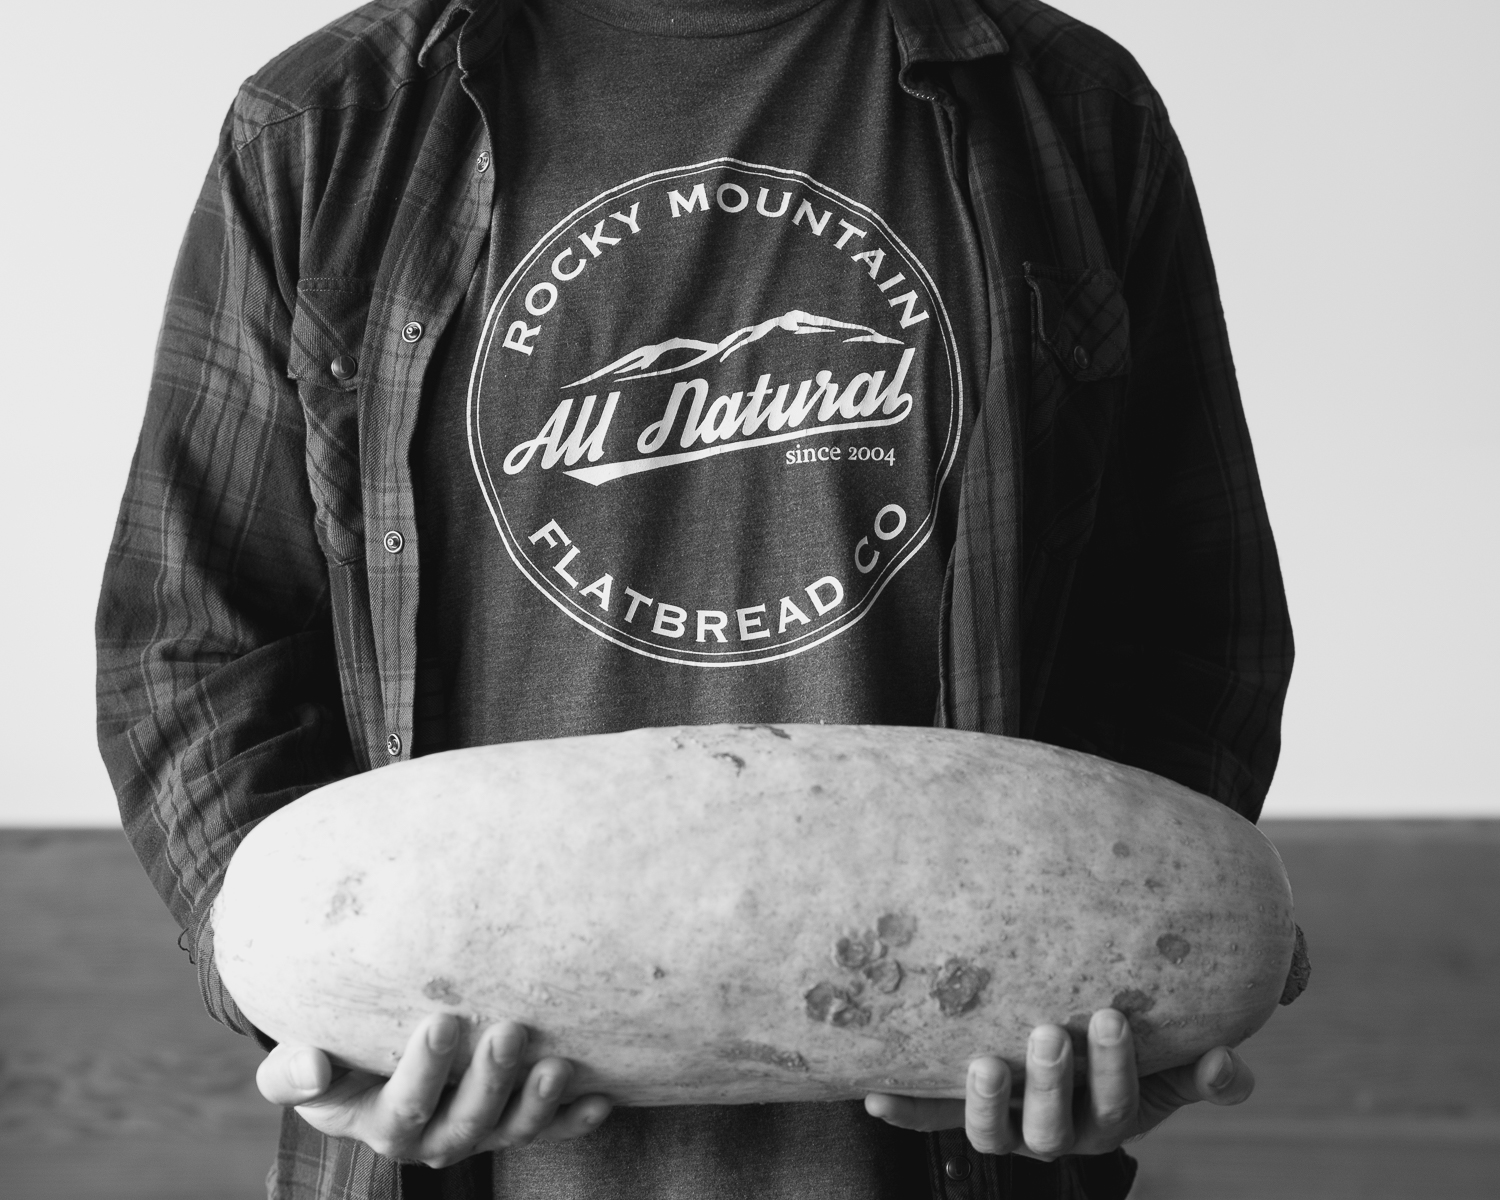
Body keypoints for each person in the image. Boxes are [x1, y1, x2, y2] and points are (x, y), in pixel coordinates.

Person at [95, 0, 1293, 1196]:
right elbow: (190, 640)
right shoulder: (327, 127)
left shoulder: (1074, 110)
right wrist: (304, 1015)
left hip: (957, 1155)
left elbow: (1196, 624)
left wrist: (1123, 995)